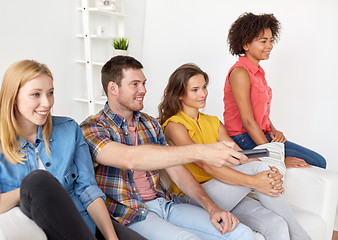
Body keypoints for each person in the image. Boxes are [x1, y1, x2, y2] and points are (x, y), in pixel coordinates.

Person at [80, 55, 254, 240]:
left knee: (242, 233)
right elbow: (130, 159)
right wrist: (203, 151)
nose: (143, 90)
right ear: (113, 88)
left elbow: (177, 170)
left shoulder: (150, 124)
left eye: (144, 83)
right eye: (135, 84)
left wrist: (213, 208)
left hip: (165, 204)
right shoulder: (92, 128)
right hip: (130, 213)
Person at [159, 63, 310, 240]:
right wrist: (254, 181)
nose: (203, 94)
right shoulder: (174, 126)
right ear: (179, 94)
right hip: (195, 197)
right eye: (195, 90)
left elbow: (240, 156)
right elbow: (206, 165)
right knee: (259, 171)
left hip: (225, 191)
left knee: (277, 225)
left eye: (204, 87)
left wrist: (269, 171)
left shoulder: (213, 122)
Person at [0, 59, 146, 240]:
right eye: (36, 94)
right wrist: (26, 192)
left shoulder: (69, 129)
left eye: (50, 93)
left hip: (85, 220)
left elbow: (88, 189)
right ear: (13, 97)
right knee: (37, 181)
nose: (47, 103)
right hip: (45, 230)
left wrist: (111, 237)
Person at [223, 12, 326, 169]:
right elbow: (248, 121)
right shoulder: (240, 73)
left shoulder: (257, 72)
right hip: (242, 137)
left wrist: (274, 130)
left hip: (259, 133)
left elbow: (259, 112)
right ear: (245, 44)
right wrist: (276, 157)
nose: (269, 46)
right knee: (316, 163)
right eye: (263, 41)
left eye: (271, 40)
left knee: (319, 161)